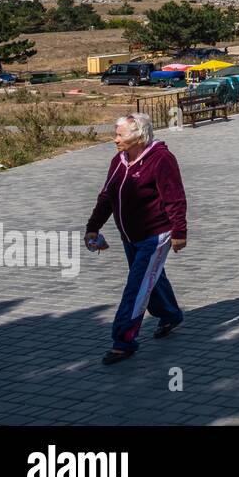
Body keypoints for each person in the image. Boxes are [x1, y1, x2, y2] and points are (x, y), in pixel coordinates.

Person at [85, 114, 188, 365]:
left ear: (138, 137)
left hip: (156, 235)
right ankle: (170, 314)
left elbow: (174, 197)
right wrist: (93, 228)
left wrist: (179, 232)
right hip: (130, 236)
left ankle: (123, 341)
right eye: (116, 134)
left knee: (137, 286)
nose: (115, 139)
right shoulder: (118, 161)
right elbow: (107, 196)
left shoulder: (161, 159)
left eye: (120, 135)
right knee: (150, 277)